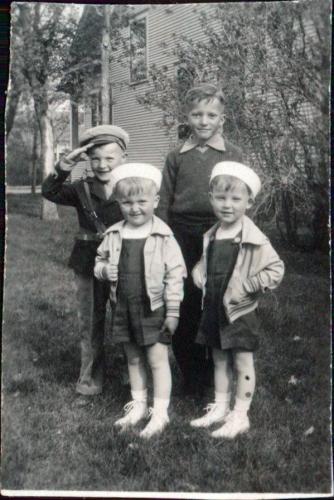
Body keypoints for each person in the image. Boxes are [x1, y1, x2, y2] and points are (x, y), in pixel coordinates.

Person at [156, 83, 244, 394]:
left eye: (211, 115)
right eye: (197, 114)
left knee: (217, 304)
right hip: (181, 234)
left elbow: (242, 199)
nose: (203, 121)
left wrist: (237, 237)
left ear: (223, 118)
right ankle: (192, 377)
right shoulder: (176, 157)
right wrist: (162, 239)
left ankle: (217, 376)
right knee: (185, 302)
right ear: (187, 117)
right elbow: (164, 201)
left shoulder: (233, 154)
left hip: (220, 233)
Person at [190, 161, 284, 438]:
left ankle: (240, 415)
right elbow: (207, 262)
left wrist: (249, 286)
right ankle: (220, 407)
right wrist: (198, 269)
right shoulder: (213, 233)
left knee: (242, 362)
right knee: (218, 359)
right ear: (211, 199)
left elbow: (276, 269)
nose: (227, 205)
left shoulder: (255, 238)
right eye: (220, 198)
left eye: (235, 199)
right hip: (214, 307)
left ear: (249, 202)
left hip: (239, 311)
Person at [94, 163, 187, 438]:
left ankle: (160, 413)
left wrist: (173, 311)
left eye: (142, 202)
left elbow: (175, 276)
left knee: (157, 359)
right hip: (122, 307)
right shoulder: (113, 234)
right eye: (127, 202)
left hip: (153, 308)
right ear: (119, 203)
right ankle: (138, 405)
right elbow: (98, 261)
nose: (135, 208)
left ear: (155, 201)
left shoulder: (164, 236)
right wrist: (103, 270)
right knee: (132, 359)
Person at [42, 125, 129, 400]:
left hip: (124, 261)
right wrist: (65, 165)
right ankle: (90, 378)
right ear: (88, 160)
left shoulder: (132, 185)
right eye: (96, 158)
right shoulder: (80, 188)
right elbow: (50, 191)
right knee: (90, 322)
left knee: (127, 318)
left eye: (110, 158)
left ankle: (133, 375)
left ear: (123, 158)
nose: (103, 164)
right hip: (87, 261)